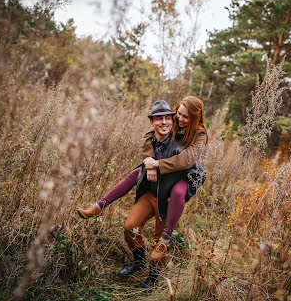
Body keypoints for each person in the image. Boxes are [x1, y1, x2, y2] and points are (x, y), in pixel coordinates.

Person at [77, 97, 208, 289]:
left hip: (174, 185)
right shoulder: (168, 122)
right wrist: (150, 161)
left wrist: (157, 164)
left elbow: (187, 160)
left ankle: (153, 278)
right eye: (178, 114)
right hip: (154, 186)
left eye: (185, 117)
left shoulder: (199, 133)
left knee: (160, 236)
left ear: (195, 118)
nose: (179, 119)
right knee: (130, 226)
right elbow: (149, 135)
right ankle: (137, 260)